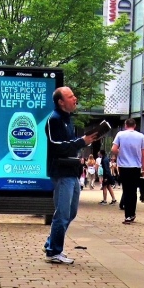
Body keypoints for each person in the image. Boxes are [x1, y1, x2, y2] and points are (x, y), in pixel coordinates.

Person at [44, 86, 98, 264]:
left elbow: (69, 145)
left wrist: (80, 146)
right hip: (61, 172)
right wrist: (81, 141)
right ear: (61, 102)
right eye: (70, 96)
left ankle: (51, 243)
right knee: (63, 213)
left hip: (71, 171)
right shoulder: (54, 119)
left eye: (74, 95)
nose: (75, 99)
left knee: (71, 212)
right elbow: (57, 144)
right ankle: (53, 251)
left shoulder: (68, 119)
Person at [112, 118, 144, 225]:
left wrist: (120, 153)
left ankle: (127, 215)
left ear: (125, 125)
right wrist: (143, 167)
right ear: (135, 125)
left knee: (126, 190)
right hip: (136, 167)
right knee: (133, 191)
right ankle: (132, 213)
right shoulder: (141, 136)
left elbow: (113, 149)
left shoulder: (120, 135)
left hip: (123, 166)